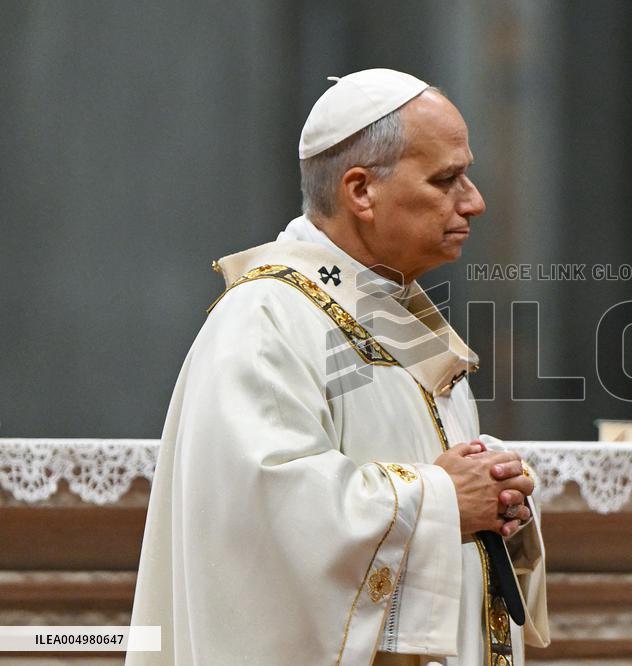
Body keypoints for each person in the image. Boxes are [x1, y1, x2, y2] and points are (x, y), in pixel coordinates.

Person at [127, 68, 549, 665]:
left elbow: (435, 476)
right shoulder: (265, 317)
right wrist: (442, 498)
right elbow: (270, 517)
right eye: (447, 179)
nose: (474, 202)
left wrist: (494, 491)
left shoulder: (398, 313)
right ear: (360, 191)